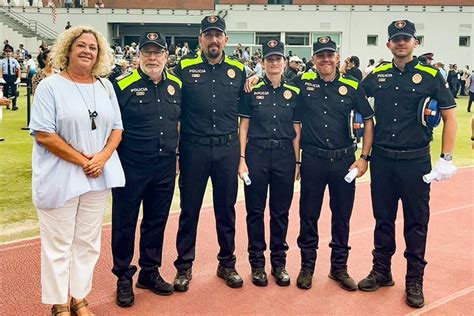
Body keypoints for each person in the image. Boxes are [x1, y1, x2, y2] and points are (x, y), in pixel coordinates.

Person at [357, 20, 457, 309]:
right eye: (396, 39)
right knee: (383, 219)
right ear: (388, 44)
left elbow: (450, 116)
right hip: (384, 160)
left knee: (416, 222)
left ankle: (415, 279)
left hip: (416, 161)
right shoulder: (377, 75)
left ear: (415, 43)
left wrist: (445, 158)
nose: (401, 43)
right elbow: (354, 96)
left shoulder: (431, 74)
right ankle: (382, 271)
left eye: (406, 39)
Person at [29, 25, 125, 316]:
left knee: (87, 242)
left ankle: (79, 298)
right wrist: (84, 161)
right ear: (68, 49)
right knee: (58, 243)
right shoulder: (50, 85)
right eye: (81, 45)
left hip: (97, 177)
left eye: (93, 47)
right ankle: (58, 303)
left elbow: (117, 128)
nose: (87, 51)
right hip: (61, 177)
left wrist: (102, 157)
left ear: (100, 54)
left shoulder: (105, 86)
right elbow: (43, 133)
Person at [291, 37, 374, 291]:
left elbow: (369, 120)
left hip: (344, 161)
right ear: (313, 59)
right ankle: (307, 267)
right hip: (313, 159)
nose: (325, 59)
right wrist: (252, 81)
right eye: (320, 55)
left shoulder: (352, 85)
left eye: (330, 55)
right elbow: (276, 88)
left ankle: (339, 268)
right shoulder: (301, 82)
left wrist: (364, 158)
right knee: (308, 215)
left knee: (342, 217)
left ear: (338, 58)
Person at [172, 15, 246, 291]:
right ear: (200, 39)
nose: (213, 40)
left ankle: (227, 263)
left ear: (226, 39)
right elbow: (174, 111)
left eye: (218, 35)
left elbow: (246, 112)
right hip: (194, 148)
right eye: (208, 35)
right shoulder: (183, 67)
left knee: (225, 209)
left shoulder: (239, 70)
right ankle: (184, 267)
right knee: (189, 209)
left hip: (227, 148)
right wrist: (177, 151)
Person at [111, 31, 182, 307]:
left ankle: (149, 272)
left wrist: (177, 156)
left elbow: (179, 122)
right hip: (131, 165)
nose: (153, 57)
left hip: (164, 165)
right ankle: (123, 277)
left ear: (166, 56)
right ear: (138, 55)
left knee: (156, 221)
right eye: (147, 52)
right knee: (125, 223)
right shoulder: (120, 84)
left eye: (158, 52)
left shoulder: (176, 84)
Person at [238, 39, 301, 287]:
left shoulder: (294, 92)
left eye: (278, 59)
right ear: (262, 63)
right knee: (254, 211)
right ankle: (256, 264)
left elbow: (297, 130)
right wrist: (241, 159)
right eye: (270, 59)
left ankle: (279, 263)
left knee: (280, 212)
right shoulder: (251, 89)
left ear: (284, 63)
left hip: (285, 156)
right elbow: (244, 126)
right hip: (256, 155)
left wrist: (297, 161)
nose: (274, 63)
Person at [0, 44, 21, 110]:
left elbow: (18, 69)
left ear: (11, 53)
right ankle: (7, 105)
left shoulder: (14, 61)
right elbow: (0, 70)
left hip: (12, 76)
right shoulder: (2, 61)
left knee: (13, 91)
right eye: (7, 52)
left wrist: (18, 78)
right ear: (5, 53)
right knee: (5, 92)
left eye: (9, 52)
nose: (8, 53)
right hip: (5, 76)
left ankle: (14, 105)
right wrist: (1, 78)